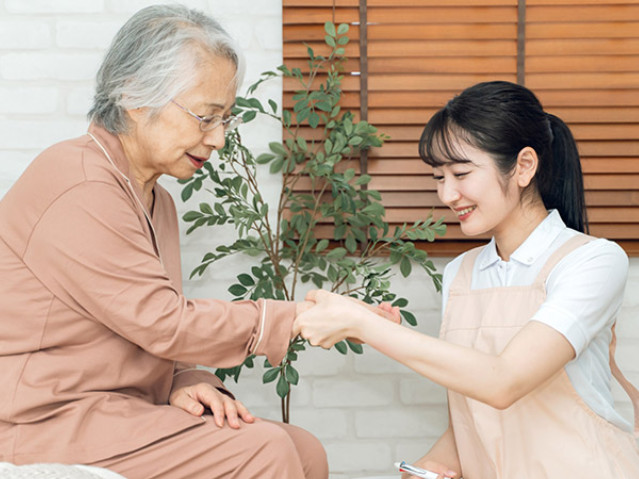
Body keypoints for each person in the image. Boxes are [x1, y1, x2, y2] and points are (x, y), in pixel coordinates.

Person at [0, 5, 329, 478]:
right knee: (264, 450)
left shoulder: (157, 200)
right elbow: (162, 322)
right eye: (205, 117)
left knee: (304, 448)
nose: (217, 139)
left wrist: (186, 377)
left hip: (114, 410)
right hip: (43, 418)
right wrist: (292, 317)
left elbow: (138, 319)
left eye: (225, 120)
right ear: (134, 95)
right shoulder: (78, 182)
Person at [294, 81, 639, 479]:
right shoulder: (460, 273)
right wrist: (434, 464)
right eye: (438, 177)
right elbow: (478, 412)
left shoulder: (591, 261)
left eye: (460, 173)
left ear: (524, 166)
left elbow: (503, 382)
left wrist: (364, 325)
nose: (447, 194)